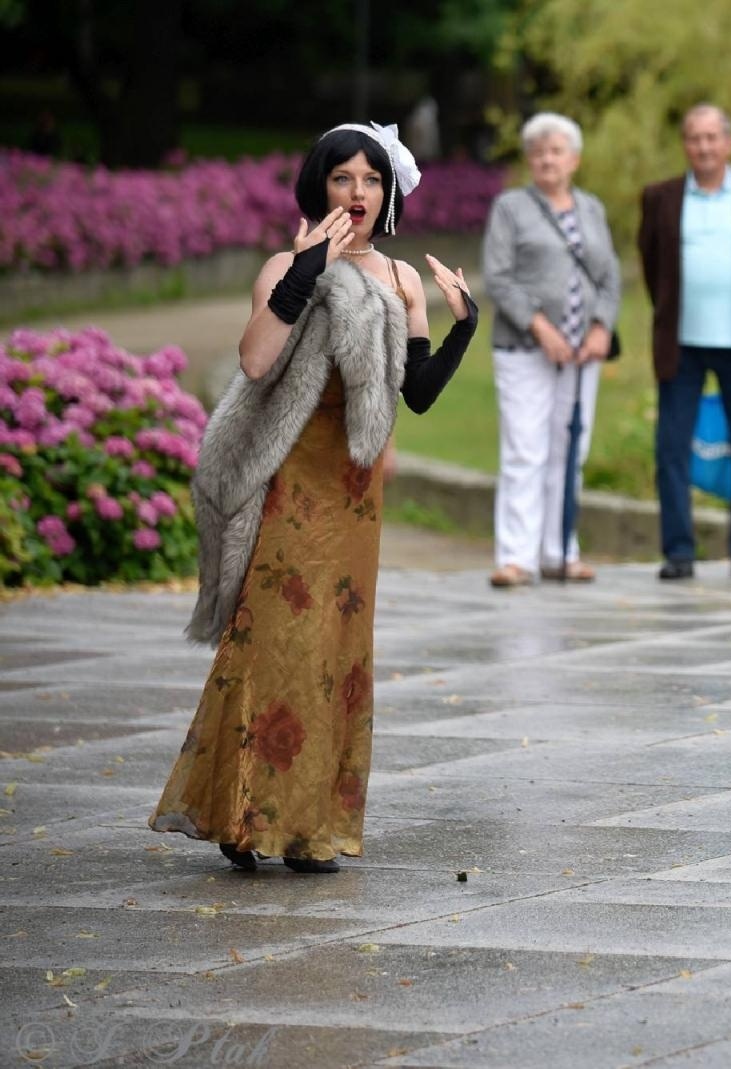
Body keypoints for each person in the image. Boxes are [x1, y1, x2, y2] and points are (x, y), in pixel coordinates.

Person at [151, 122, 477, 873]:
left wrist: (464, 328)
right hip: (290, 474)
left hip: (355, 490)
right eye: (343, 179)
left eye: (370, 179)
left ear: (387, 192)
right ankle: (244, 812)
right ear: (320, 187)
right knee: (273, 638)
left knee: (337, 650)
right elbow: (257, 358)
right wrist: (309, 269)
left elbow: (416, 394)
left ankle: (309, 828)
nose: (357, 192)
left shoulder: (400, 281)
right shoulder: (283, 266)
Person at [639, 103, 731, 580]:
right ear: (685, 144)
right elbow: (651, 265)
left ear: (728, 143)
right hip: (680, 343)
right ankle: (679, 553)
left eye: (711, 138)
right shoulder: (660, 197)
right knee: (672, 449)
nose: (703, 147)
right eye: (694, 138)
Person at [483, 113, 620, 587]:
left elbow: (609, 276)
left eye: (556, 150)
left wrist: (601, 327)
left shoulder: (592, 209)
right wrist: (541, 327)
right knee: (525, 448)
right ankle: (516, 557)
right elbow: (497, 277)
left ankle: (561, 551)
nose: (547, 158)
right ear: (529, 160)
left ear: (574, 160)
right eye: (538, 151)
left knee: (569, 449)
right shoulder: (511, 207)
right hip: (524, 349)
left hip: (582, 354)